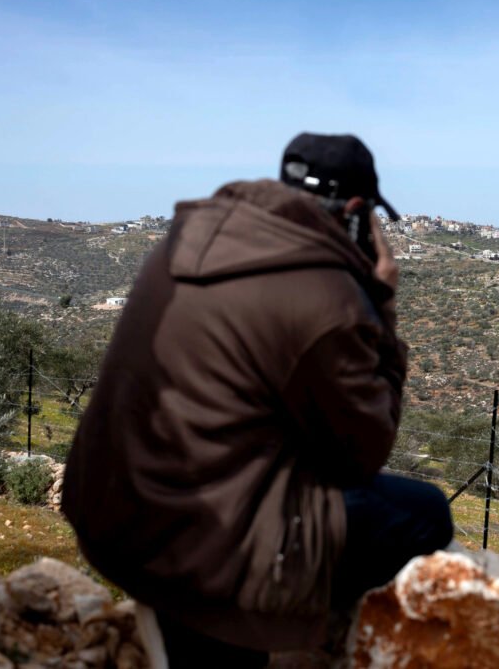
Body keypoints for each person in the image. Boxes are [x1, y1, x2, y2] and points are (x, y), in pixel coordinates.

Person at [61, 133, 453, 667]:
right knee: (426, 514)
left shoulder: (185, 239)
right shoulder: (324, 294)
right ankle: (303, 633)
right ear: (357, 213)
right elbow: (365, 449)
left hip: (111, 518)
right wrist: (381, 299)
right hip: (210, 550)